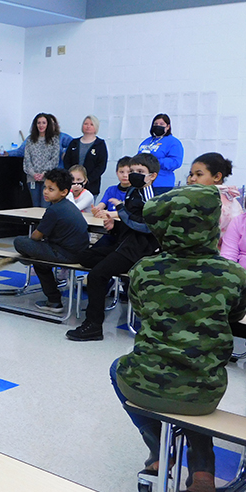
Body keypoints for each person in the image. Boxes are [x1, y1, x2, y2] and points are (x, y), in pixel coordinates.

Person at [110, 185, 246, 492]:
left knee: (117, 368)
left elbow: (140, 309)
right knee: (195, 378)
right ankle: (203, 471)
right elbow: (237, 314)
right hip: (204, 393)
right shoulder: (233, 274)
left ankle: (160, 450)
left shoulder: (144, 271)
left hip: (144, 385)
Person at [66, 153, 160, 341]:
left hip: (136, 251)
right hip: (122, 243)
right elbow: (128, 223)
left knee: (97, 275)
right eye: (132, 171)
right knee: (84, 257)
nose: (133, 174)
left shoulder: (152, 199)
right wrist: (114, 225)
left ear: (152, 176)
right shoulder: (133, 191)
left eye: (140, 172)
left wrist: (121, 211)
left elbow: (146, 227)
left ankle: (93, 325)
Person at [13, 168, 89, 314]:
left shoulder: (54, 211)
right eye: (45, 187)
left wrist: (30, 248)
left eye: (51, 189)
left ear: (64, 192)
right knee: (39, 262)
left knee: (20, 242)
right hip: (79, 252)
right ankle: (54, 300)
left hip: (67, 254)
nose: (45, 192)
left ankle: (54, 300)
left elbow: (36, 237)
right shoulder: (68, 206)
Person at [186, 152, 243, 243]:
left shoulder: (214, 200)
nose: (192, 179)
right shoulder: (229, 197)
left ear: (217, 177)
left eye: (199, 174)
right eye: (191, 174)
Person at [138, 113, 183, 195]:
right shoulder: (146, 141)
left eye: (161, 124)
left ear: (168, 127)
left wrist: (153, 162)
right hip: (143, 183)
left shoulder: (173, 142)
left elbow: (175, 162)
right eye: (155, 124)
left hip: (162, 184)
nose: (158, 126)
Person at [63, 115, 108, 195]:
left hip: (91, 185)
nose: (88, 126)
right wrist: (72, 178)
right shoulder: (74, 143)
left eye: (91, 124)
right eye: (86, 124)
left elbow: (101, 166)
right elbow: (67, 161)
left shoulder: (100, 144)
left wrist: (87, 180)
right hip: (72, 185)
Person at [22, 113, 60, 208]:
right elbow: (27, 159)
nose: (41, 125)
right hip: (32, 178)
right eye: (39, 123)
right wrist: (33, 174)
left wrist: (44, 173)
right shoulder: (30, 139)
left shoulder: (54, 139)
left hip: (47, 178)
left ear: (48, 124)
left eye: (44, 123)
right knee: (35, 206)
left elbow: (54, 159)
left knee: (45, 206)